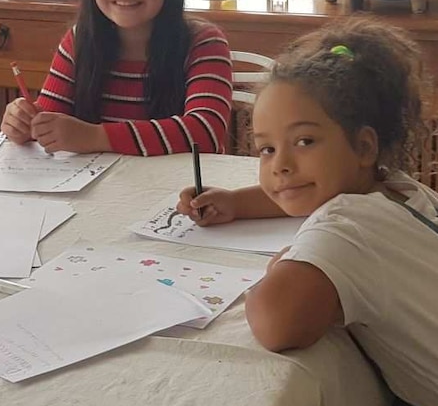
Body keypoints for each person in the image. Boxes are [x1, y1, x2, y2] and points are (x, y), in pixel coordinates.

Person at [176, 20, 437, 406]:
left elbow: (277, 323)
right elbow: (303, 189)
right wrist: (235, 202)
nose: (281, 165)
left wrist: (283, 265)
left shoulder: (348, 231)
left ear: (364, 146)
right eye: (267, 150)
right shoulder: (398, 189)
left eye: (304, 141)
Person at [0, 0, 233, 156]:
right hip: (97, 190)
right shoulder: (79, 40)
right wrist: (23, 123)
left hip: (177, 190)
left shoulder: (204, 42)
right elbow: (48, 119)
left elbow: (205, 133)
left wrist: (95, 136)